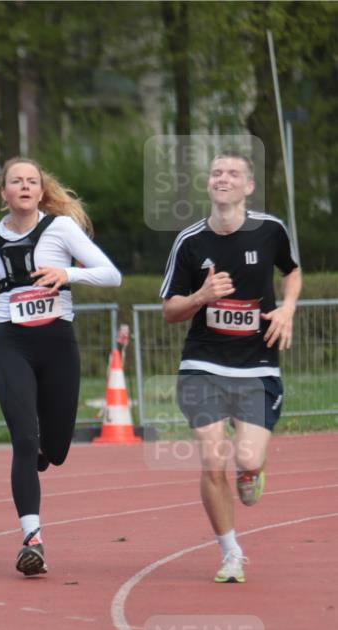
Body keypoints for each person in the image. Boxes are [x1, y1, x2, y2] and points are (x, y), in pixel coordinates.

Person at [0, 157, 122, 576]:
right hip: (11, 343)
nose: (26, 187)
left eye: (33, 181)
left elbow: (111, 275)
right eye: (17, 181)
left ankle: (45, 451)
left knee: (58, 448)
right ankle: (32, 539)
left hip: (57, 345)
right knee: (23, 440)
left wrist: (67, 274)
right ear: (4, 193)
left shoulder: (61, 228)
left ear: (40, 190)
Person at [160, 150, 302, 583]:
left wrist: (287, 311)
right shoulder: (189, 242)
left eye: (233, 173)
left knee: (246, 457)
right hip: (203, 362)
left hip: (257, 365)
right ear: (209, 184)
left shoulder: (271, 230)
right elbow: (170, 310)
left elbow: (292, 273)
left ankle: (253, 471)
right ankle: (231, 553)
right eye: (217, 172)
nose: (223, 178)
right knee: (212, 458)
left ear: (248, 186)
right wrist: (201, 297)